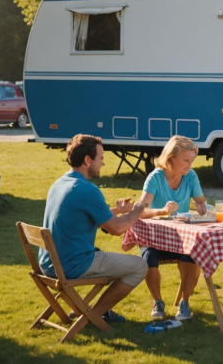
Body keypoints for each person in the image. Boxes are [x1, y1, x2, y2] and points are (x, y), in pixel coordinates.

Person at [39, 134, 148, 323]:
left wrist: (116, 210)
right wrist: (137, 210)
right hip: (72, 264)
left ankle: (90, 312)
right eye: (101, 159)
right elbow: (116, 228)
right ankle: (95, 315)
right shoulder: (88, 190)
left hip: (48, 263)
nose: (103, 164)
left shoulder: (60, 183)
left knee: (120, 264)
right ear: (88, 160)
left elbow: (83, 215)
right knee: (139, 266)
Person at [135, 136, 208, 321]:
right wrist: (161, 211)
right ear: (171, 158)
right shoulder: (156, 177)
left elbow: (201, 202)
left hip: (180, 238)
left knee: (192, 253)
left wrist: (201, 206)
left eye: (192, 160)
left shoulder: (190, 176)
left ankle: (185, 302)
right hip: (155, 237)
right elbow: (139, 210)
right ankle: (158, 301)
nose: (189, 165)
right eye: (185, 160)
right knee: (148, 256)